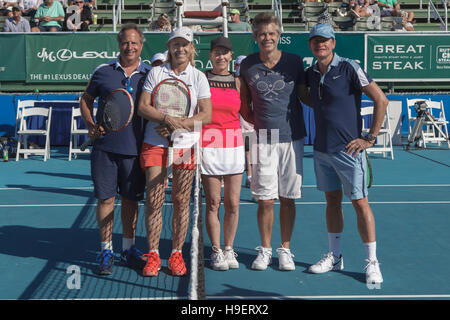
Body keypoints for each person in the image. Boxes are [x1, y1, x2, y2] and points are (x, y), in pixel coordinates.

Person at [304, 24, 388, 285]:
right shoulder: (309, 73)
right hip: (321, 150)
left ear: (333, 43)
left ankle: (372, 262)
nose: (321, 44)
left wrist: (369, 138)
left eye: (326, 40)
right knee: (331, 203)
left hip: (349, 151)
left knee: (360, 204)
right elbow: (309, 99)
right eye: (316, 40)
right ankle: (335, 256)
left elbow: (381, 100)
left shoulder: (350, 67)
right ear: (311, 45)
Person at [239, 12, 311, 272]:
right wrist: (260, 126)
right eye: (262, 33)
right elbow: (244, 104)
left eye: (272, 33)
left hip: (292, 137)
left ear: (279, 36)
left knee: (288, 198)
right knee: (264, 199)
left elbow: (304, 96)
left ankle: (285, 249)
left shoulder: (293, 62)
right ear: (255, 36)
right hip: (263, 139)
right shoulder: (247, 65)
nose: (267, 37)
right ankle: (265, 249)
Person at [137, 27, 212, 277]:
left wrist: (177, 125)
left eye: (185, 44)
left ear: (192, 49)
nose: (180, 49)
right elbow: (143, 107)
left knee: (181, 200)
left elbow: (206, 114)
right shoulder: (156, 72)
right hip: (155, 143)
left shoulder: (199, 77)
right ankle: (154, 253)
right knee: (155, 199)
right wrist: (168, 118)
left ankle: (177, 252)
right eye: (175, 44)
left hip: (185, 145)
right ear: (169, 47)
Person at [79, 23, 151, 275]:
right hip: (105, 150)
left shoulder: (151, 74)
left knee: (131, 202)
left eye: (134, 42)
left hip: (135, 150)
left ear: (141, 45)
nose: (129, 46)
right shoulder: (102, 72)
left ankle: (129, 249)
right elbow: (85, 100)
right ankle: (106, 249)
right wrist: (90, 125)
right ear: (119, 44)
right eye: (125, 42)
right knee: (106, 199)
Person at [201, 37, 252, 271]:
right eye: (217, 52)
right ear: (210, 55)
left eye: (225, 53)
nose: (221, 56)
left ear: (231, 56)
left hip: (233, 145)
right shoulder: (201, 79)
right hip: (208, 144)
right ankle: (215, 250)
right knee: (213, 202)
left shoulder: (238, 82)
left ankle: (229, 248)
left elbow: (247, 114)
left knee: (232, 203)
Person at [235, 55, 254, 188]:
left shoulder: (253, 82)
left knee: (251, 153)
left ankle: (251, 178)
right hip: (235, 126)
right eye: (239, 64)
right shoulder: (233, 80)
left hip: (250, 126)